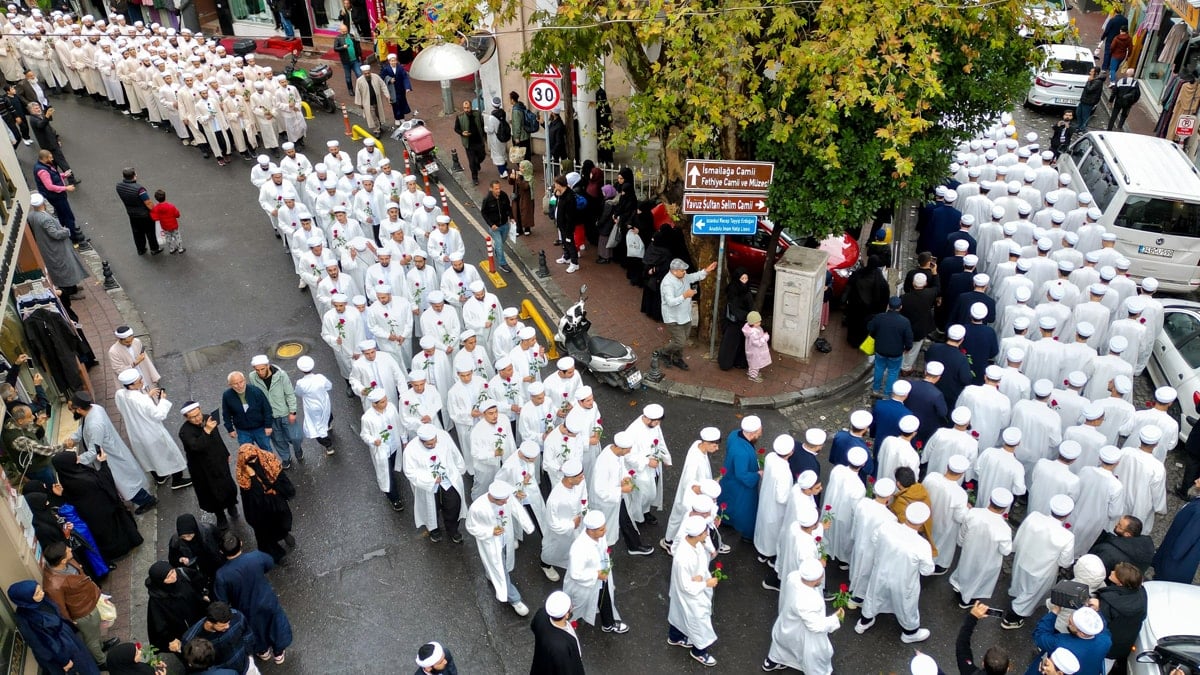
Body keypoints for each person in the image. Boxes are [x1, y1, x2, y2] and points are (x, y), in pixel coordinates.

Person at [854, 502, 935, 643]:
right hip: (903, 582)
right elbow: (927, 570)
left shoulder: (886, 526)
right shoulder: (922, 545)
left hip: (881, 573)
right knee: (906, 606)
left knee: (873, 597)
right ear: (923, 522)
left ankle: (863, 622)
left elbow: (874, 540)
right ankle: (910, 633)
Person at [214, 534, 293, 665]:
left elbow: (221, 600)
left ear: (221, 551)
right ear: (241, 544)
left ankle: (263, 652)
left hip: (245, 609)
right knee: (275, 625)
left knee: (255, 631)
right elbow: (269, 563)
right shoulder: (256, 557)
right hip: (267, 601)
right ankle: (278, 653)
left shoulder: (222, 575)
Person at [52, 451, 144, 560]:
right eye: (74, 458)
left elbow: (74, 497)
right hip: (104, 509)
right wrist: (104, 463)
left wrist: (63, 494)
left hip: (92, 515)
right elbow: (102, 481)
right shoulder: (81, 478)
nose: (77, 458)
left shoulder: (67, 477)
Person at [1004, 494, 1076, 630]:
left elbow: (1020, 535)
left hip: (1023, 559)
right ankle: (1012, 618)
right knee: (1030, 595)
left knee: (1019, 583)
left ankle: (1015, 597)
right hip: (1042, 570)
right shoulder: (1067, 536)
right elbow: (1065, 562)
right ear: (1068, 514)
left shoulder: (1034, 517)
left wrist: (1015, 548)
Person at [762, 557, 843, 673]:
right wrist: (836, 618)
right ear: (815, 580)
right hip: (802, 633)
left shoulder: (794, 577)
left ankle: (772, 661)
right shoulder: (809, 600)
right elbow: (816, 626)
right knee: (813, 662)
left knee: (782, 644)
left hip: (787, 622)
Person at [114, 368, 191, 488]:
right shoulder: (143, 400)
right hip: (152, 433)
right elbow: (159, 415)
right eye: (139, 380)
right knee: (169, 455)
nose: (142, 381)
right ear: (132, 384)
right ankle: (177, 480)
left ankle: (160, 477)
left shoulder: (120, 394)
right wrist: (163, 400)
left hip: (135, 433)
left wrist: (147, 396)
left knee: (148, 457)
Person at [466, 480, 534, 616]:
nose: (506, 503)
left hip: (505, 539)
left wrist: (528, 526)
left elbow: (517, 509)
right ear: (493, 497)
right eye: (502, 501)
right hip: (491, 543)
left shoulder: (505, 498)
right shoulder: (478, 507)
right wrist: (490, 532)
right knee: (500, 571)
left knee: (499, 565)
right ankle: (515, 600)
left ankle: (490, 574)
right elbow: (471, 527)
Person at [7, 580, 100, 675]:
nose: (42, 593)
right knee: (81, 667)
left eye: (40, 589)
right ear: (25, 599)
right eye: (37, 593)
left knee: (85, 661)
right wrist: (64, 660)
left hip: (66, 637)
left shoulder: (40, 601)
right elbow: (40, 644)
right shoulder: (26, 619)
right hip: (59, 650)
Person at [41, 542, 110, 666]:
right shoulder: (53, 586)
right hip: (83, 612)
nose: (70, 549)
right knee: (91, 639)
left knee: (95, 630)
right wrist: (70, 621)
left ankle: (101, 646)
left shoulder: (67, 562)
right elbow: (60, 607)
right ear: (62, 561)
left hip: (90, 600)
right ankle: (101, 661)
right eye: (67, 550)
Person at [564, 510, 628, 633]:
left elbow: (603, 551)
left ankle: (608, 624)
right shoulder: (579, 548)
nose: (605, 532)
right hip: (584, 585)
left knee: (605, 599)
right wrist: (597, 575)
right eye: (601, 530)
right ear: (591, 530)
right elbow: (575, 573)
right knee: (576, 608)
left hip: (600, 579)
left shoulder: (599, 536)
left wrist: (605, 567)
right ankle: (567, 628)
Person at [669, 515, 720, 667]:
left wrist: (699, 576)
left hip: (691, 588)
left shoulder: (694, 542)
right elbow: (686, 586)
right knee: (699, 621)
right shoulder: (683, 558)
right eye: (705, 532)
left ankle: (675, 637)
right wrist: (706, 583)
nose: (707, 534)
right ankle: (699, 651)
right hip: (691, 594)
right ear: (698, 534)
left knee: (678, 612)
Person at [177, 402, 240, 527]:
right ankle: (220, 515)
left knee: (227, 485)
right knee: (211, 493)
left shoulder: (208, 419)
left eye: (198, 414)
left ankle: (231, 506)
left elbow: (217, 438)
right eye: (193, 417)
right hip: (202, 469)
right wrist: (206, 431)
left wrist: (225, 453)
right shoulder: (185, 432)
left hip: (218, 461)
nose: (198, 418)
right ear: (186, 418)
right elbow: (196, 447)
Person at [951, 488, 1015, 607]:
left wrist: (960, 543)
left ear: (990, 500)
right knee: (978, 579)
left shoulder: (974, 513)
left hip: (970, 551)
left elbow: (963, 531)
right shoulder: (1003, 528)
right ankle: (967, 600)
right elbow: (1005, 551)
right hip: (987, 559)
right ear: (1005, 508)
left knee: (965, 569)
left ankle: (959, 588)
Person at [234, 444, 295, 564]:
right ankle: (278, 555)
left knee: (283, 518)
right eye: (249, 461)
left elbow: (279, 478)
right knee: (265, 532)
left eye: (254, 458)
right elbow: (254, 497)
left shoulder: (268, 458)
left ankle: (284, 533)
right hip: (260, 507)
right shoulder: (243, 474)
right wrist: (252, 477)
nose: (253, 461)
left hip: (275, 497)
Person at [658, 258, 717, 370]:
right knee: (679, 341)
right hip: (673, 317)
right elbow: (670, 302)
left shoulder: (683, 276)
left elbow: (694, 276)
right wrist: (685, 295)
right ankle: (663, 352)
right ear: (674, 271)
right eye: (682, 270)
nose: (685, 272)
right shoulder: (667, 284)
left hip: (685, 314)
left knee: (683, 339)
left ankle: (677, 358)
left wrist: (707, 270)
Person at [248, 355, 303, 469]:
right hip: (268, 416)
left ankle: (298, 449)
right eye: (257, 370)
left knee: (295, 437)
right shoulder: (253, 377)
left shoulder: (281, 375)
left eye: (262, 369)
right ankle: (286, 458)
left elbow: (289, 394)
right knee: (278, 440)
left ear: (268, 366)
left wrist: (292, 411)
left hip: (284, 413)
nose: (260, 372)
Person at [27, 193, 88, 295]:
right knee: (64, 269)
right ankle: (69, 291)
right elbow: (55, 234)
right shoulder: (44, 218)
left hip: (47, 247)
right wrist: (66, 231)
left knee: (64, 268)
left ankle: (73, 287)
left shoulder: (31, 215)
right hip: (55, 248)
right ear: (42, 203)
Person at [1094, 562, 1148, 675]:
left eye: (1115, 573)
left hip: (1106, 644)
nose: (1112, 572)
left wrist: (1099, 607)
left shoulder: (1110, 604)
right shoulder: (1141, 594)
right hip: (1122, 645)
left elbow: (1099, 624)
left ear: (1120, 582)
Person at [145, 560, 207, 654]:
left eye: (172, 572)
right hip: (182, 633)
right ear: (160, 581)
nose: (173, 576)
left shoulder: (181, 574)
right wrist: (171, 639)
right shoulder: (157, 600)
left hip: (199, 619)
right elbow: (159, 624)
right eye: (168, 577)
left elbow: (198, 581)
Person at [1028, 606, 1111, 675]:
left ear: (1082, 633)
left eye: (1071, 623)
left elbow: (1040, 635)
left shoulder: (1061, 643)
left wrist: (1054, 611)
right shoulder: (1106, 640)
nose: (1068, 622)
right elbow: (1103, 627)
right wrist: (1095, 609)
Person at [181, 602, 256, 675]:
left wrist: (249, 653)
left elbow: (248, 635)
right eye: (222, 626)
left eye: (229, 622)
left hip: (246, 664)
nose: (227, 627)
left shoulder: (237, 616)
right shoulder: (191, 639)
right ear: (209, 623)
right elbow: (195, 665)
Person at [721, 415, 763, 540]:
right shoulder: (742, 453)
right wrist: (758, 474)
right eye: (759, 432)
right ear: (753, 433)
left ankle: (725, 520)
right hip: (740, 486)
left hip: (729, 478)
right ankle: (747, 534)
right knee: (745, 509)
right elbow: (742, 475)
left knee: (727, 501)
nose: (760, 434)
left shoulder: (734, 434)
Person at [529, 591, 585, 675]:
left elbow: (533, 626)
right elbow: (566, 670)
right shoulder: (561, 647)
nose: (572, 606)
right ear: (566, 615)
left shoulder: (541, 614)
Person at [867, 296, 913, 396]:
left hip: (880, 349)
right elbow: (909, 338)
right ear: (900, 307)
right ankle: (887, 393)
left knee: (879, 368)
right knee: (893, 372)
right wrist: (908, 348)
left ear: (888, 306)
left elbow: (870, 328)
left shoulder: (879, 317)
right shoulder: (905, 322)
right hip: (896, 352)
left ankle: (875, 389)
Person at [169, 514, 226, 593]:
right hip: (195, 569)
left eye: (189, 535)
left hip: (212, 562)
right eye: (183, 537)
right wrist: (180, 559)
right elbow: (172, 559)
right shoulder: (175, 541)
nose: (188, 539)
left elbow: (221, 540)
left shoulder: (208, 530)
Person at [221, 371, 274, 453]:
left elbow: (267, 409)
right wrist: (230, 429)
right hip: (242, 431)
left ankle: (271, 466)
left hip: (260, 428)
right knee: (248, 454)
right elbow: (226, 414)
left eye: (241, 382)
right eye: (235, 383)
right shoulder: (227, 396)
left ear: (245, 380)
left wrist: (268, 425)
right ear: (230, 385)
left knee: (266, 451)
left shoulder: (256, 391)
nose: (239, 385)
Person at [115, 167, 162, 255]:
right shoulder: (140, 190)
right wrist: (156, 210)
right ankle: (154, 249)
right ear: (134, 176)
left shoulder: (119, 186)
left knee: (137, 232)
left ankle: (141, 249)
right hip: (144, 215)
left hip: (131, 214)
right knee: (150, 232)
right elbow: (148, 203)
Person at [955, 603, 1013, 675]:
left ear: (983, 663)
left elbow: (962, 644)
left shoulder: (968, 671)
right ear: (1008, 669)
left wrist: (973, 617)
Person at [294, 356, 334, 454]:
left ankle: (328, 446)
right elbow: (329, 386)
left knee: (316, 426)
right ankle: (328, 425)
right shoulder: (320, 377)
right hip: (324, 402)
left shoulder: (301, 383)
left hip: (311, 407)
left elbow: (298, 393)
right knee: (327, 414)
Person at [1089, 515, 1156, 574]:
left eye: (1119, 526)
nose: (1116, 525)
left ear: (1127, 534)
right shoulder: (1147, 550)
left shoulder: (1108, 551)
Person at [480, 180, 513, 273]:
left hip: (505, 224)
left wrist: (512, 217)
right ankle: (502, 263)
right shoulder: (487, 199)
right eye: (496, 189)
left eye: (499, 188)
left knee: (501, 243)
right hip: (495, 227)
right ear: (491, 189)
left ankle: (498, 251)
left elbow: (508, 207)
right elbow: (483, 212)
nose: (498, 190)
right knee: (499, 245)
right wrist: (491, 224)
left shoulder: (504, 195)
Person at [552, 174, 582, 273]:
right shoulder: (560, 193)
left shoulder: (569, 197)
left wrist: (569, 229)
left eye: (555, 184)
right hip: (561, 224)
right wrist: (557, 194)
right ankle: (566, 257)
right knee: (564, 242)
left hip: (567, 226)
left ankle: (574, 263)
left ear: (560, 184)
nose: (554, 186)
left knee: (570, 243)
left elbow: (570, 216)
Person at [453, 100, 485, 186]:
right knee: (471, 162)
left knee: (482, 156)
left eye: (468, 108)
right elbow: (456, 128)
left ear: (471, 107)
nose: (466, 109)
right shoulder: (460, 117)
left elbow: (481, 124)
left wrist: (484, 136)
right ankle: (475, 178)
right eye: (464, 108)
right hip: (469, 143)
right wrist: (462, 133)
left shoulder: (477, 114)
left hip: (478, 141)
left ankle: (477, 163)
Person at [150, 188, 184, 254]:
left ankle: (172, 249)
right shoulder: (171, 206)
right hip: (174, 225)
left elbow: (154, 218)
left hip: (165, 226)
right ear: (165, 197)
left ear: (156, 199)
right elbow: (177, 214)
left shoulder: (156, 208)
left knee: (168, 238)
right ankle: (180, 249)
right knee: (177, 237)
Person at [331, 24, 363, 95]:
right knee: (348, 77)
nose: (345, 32)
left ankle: (362, 88)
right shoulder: (338, 38)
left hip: (355, 60)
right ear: (340, 31)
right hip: (346, 62)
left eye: (346, 31)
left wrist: (360, 55)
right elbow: (335, 48)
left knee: (359, 74)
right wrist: (343, 47)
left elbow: (357, 46)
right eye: (343, 31)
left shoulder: (351, 36)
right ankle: (350, 90)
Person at [380, 54, 413, 122]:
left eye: (394, 60)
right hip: (392, 90)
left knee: (401, 102)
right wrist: (389, 79)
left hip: (400, 89)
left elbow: (405, 77)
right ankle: (397, 118)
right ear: (389, 61)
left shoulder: (400, 68)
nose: (393, 62)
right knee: (395, 104)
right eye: (392, 61)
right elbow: (382, 77)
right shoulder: (386, 69)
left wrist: (407, 87)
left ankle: (402, 117)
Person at [742, 311, 772, 383]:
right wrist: (765, 337)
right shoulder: (753, 333)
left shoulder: (752, 329)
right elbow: (757, 343)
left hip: (753, 350)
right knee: (755, 363)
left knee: (753, 363)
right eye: (758, 322)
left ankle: (751, 373)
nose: (759, 323)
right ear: (753, 323)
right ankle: (753, 376)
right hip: (755, 351)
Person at [508, 160, 536, 236]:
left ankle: (527, 228)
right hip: (517, 197)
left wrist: (518, 178)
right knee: (516, 213)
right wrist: (511, 177)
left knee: (526, 213)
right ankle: (519, 228)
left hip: (526, 199)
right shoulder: (518, 175)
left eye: (522, 168)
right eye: (520, 167)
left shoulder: (529, 177)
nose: (520, 169)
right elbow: (511, 182)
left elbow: (525, 186)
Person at [483, 96, 509, 178]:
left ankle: (503, 172)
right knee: (502, 152)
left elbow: (490, 129)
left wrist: (485, 128)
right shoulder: (503, 113)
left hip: (495, 138)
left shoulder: (492, 117)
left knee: (497, 155)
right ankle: (505, 167)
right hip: (503, 136)